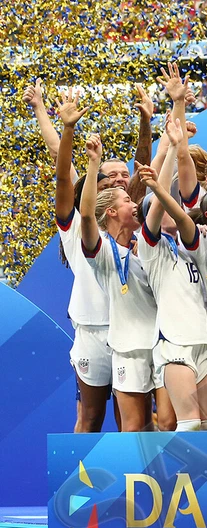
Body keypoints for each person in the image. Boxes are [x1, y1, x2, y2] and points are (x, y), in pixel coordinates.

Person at [137, 109, 207, 432]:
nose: (172, 209)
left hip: (203, 341)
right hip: (174, 343)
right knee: (190, 424)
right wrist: (169, 148)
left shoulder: (190, 244)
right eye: (160, 209)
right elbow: (160, 203)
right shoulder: (150, 249)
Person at [80, 132, 159, 432]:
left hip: (161, 343)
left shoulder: (147, 245)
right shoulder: (101, 253)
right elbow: (87, 216)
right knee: (135, 427)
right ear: (111, 212)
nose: (135, 204)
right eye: (128, 201)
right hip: (128, 348)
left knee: (166, 422)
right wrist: (93, 165)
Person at [53, 91, 114, 432]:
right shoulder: (74, 226)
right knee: (90, 418)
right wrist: (68, 130)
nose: (110, 192)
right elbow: (64, 178)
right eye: (100, 187)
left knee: (135, 421)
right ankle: (79, 469)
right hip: (92, 332)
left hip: (131, 330)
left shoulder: (130, 227)